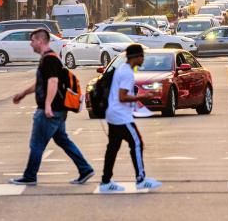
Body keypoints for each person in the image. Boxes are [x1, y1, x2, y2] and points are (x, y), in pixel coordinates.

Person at [9, 29, 93, 187]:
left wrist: (47, 106)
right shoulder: (48, 59)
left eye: (32, 40)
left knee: (37, 143)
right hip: (58, 110)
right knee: (63, 140)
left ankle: (30, 176)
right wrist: (23, 93)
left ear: (40, 41)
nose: (30, 43)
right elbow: (42, 83)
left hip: (50, 110)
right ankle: (85, 169)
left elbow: (53, 82)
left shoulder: (50, 60)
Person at [98, 43, 162, 192]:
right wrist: (144, 96)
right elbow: (122, 97)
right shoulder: (126, 72)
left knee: (113, 148)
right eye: (142, 56)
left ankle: (105, 181)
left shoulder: (123, 69)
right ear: (136, 57)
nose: (143, 59)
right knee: (137, 143)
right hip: (121, 116)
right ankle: (141, 179)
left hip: (113, 114)